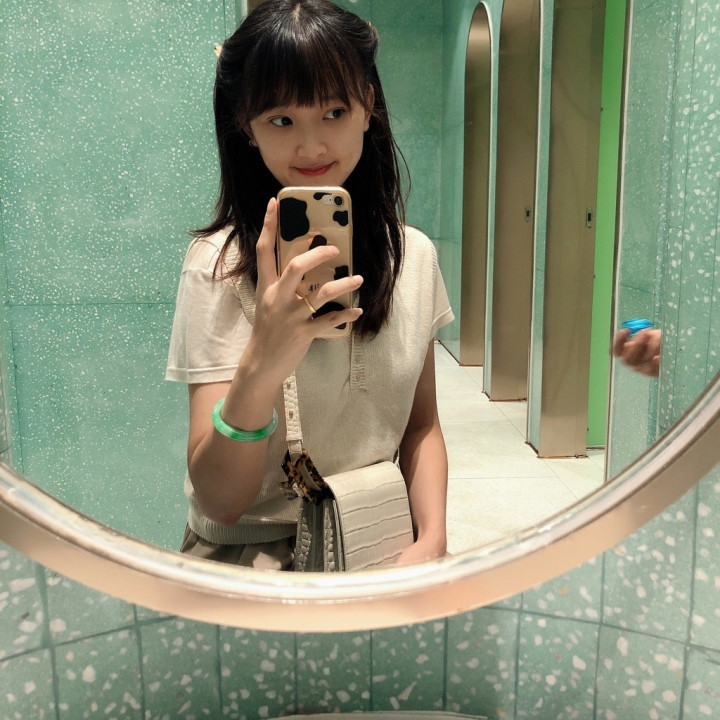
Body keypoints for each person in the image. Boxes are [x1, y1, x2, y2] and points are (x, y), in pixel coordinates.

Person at [165, 0, 454, 570]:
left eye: (333, 111)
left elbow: (421, 426)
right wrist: (263, 362)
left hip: (379, 545)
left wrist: (433, 538)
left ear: (367, 107)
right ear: (246, 126)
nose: (312, 146)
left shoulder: (414, 257)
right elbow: (221, 502)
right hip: (254, 561)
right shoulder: (218, 266)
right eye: (281, 120)